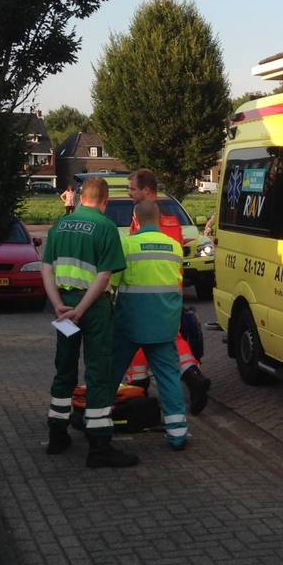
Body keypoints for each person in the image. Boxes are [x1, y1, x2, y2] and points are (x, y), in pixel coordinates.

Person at [41, 178, 136, 468]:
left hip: (63, 307)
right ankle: (99, 445)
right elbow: (105, 276)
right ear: (105, 201)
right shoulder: (106, 228)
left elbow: (47, 268)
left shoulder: (60, 226)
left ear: (81, 198)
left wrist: (58, 304)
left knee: (64, 368)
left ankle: (57, 435)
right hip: (92, 310)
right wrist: (81, 310)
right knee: (98, 372)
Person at [126, 169, 212, 411]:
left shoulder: (150, 219)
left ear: (146, 191)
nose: (130, 193)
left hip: (146, 293)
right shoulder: (170, 220)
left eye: (132, 189)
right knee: (173, 339)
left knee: (140, 339)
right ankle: (193, 378)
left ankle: (139, 390)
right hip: (169, 292)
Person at [112, 200, 189, 450]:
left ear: (135, 220)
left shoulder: (127, 245)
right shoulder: (175, 247)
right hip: (164, 325)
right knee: (169, 378)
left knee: (110, 375)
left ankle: (98, 424)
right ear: (158, 219)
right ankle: (177, 433)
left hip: (130, 324)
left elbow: (113, 282)